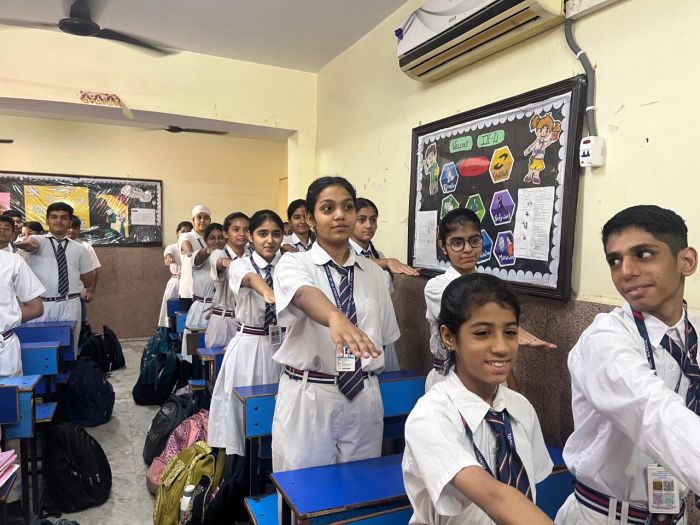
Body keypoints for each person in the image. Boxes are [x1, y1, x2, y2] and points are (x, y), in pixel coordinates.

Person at [556, 205, 700, 525]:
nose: (626, 271)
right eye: (615, 260)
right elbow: (653, 412)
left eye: (643, 254)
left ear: (686, 261)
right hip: (604, 516)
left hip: (673, 514)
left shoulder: (695, 334)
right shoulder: (604, 339)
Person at [271, 176, 400, 473]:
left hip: (363, 393)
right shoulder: (295, 263)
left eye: (348, 207)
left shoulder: (374, 274)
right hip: (311, 394)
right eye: (328, 209)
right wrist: (334, 317)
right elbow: (303, 294)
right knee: (304, 486)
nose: (340, 215)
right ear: (311, 219)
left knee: (360, 485)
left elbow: (385, 336)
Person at [403, 274, 554, 525]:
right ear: (449, 337)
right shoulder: (430, 416)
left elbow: (527, 496)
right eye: (483, 333)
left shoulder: (520, 408)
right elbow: (495, 497)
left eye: (510, 332)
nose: (501, 347)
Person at [424, 208, 556, 392]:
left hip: (490, 374)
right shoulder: (436, 287)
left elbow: (498, 348)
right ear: (443, 246)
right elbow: (469, 311)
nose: (467, 249)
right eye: (457, 243)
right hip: (450, 376)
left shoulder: (491, 286)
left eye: (474, 240)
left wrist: (511, 387)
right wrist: (513, 330)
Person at [209, 210, 284, 464]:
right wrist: (268, 292)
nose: (270, 240)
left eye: (276, 234)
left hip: (281, 344)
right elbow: (250, 280)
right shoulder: (241, 264)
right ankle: (242, 467)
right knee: (244, 413)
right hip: (250, 345)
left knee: (277, 411)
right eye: (262, 234)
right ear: (251, 236)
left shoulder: (287, 265)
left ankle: (272, 463)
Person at [14, 202, 96, 356]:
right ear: (47, 221)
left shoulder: (80, 249)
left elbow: (88, 281)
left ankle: (70, 371)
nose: (59, 221)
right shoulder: (38, 240)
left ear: (70, 222)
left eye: (64, 218)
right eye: (54, 217)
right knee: (40, 351)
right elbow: (31, 244)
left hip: (70, 304)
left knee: (70, 351)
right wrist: (24, 245)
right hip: (41, 305)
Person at [350, 197, 420, 371]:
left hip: (381, 329)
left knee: (384, 379)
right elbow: (352, 263)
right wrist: (387, 262)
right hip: (356, 330)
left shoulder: (378, 255)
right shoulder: (345, 255)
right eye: (361, 220)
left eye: (373, 220)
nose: (369, 225)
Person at [200, 212, 250, 348]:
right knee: (220, 359)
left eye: (246, 230)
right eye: (236, 229)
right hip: (224, 321)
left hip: (246, 323)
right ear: (226, 234)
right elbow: (219, 262)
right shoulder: (219, 253)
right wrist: (226, 263)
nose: (242, 234)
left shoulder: (252, 255)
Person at [181, 223, 225, 360]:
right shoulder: (198, 257)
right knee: (196, 354)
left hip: (223, 310)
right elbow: (199, 256)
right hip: (201, 310)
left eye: (220, 237)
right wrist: (209, 250)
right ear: (205, 240)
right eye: (212, 238)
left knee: (217, 355)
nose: (217, 241)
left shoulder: (227, 258)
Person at [0, 249, 45, 376]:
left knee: (10, 389)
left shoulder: (12, 261)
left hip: (4, 350)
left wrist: (6, 317)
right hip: (5, 345)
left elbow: (36, 308)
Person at [157, 221, 192, 329]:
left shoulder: (193, 246)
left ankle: (184, 332)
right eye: (182, 231)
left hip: (190, 284)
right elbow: (168, 253)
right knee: (172, 312)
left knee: (187, 313)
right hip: (176, 283)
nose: (185, 234)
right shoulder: (173, 247)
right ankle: (170, 332)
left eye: (188, 232)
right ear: (177, 233)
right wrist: (168, 257)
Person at [68, 215, 100, 325]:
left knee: (80, 325)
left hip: (79, 295)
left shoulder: (85, 247)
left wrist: (90, 291)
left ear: (79, 230)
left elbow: (94, 270)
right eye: (69, 227)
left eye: (75, 228)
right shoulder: (54, 245)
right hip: (58, 297)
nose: (71, 231)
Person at [178, 205, 212, 309]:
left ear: (210, 221)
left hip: (207, 293)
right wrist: (189, 252)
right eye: (199, 217)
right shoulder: (187, 235)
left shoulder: (211, 239)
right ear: (193, 220)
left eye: (206, 218)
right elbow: (185, 244)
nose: (202, 220)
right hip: (189, 293)